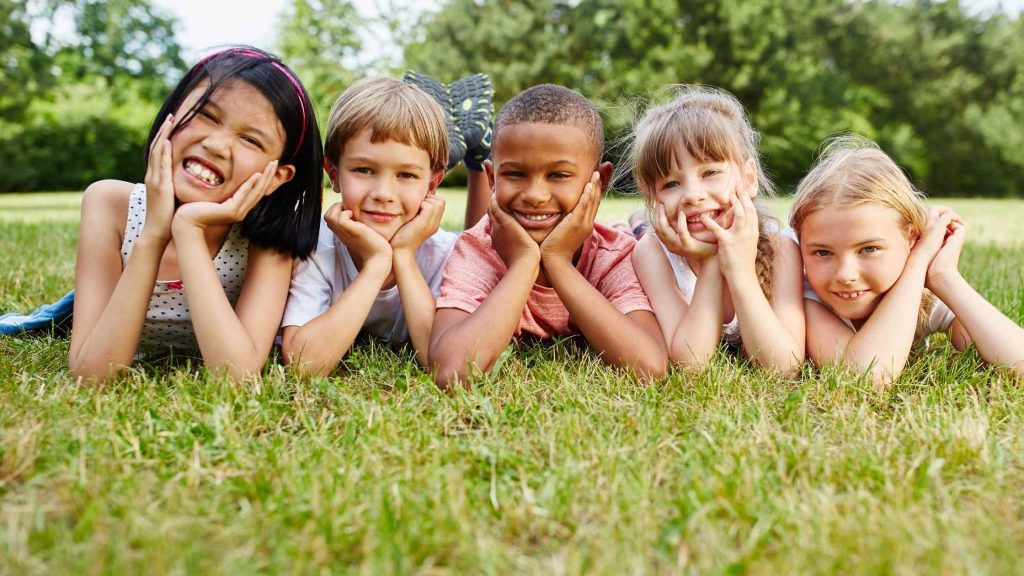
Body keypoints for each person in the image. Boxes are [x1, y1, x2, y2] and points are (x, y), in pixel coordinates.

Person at [69, 47, 323, 382]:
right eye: (208, 115)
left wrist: (188, 229)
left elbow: (236, 378)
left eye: (249, 139)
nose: (217, 145)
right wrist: (154, 235)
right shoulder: (110, 205)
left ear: (276, 176)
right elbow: (91, 376)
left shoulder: (269, 238)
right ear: (172, 114)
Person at [429, 84, 667, 388]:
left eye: (558, 175)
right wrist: (524, 263)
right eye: (515, 174)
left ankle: (633, 223)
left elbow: (649, 367)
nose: (535, 195)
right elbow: (452, 371)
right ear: (492, 178)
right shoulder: (476, 250)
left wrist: (558, 262)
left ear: (600, 180)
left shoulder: (613, 255)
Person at [281, 76, 478, 375]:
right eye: (364, 170)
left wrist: (403, 256)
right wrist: (377, 264)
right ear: (333, 173)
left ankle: (476, 158)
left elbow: (440, 362)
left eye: (407, 175)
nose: (384, 194)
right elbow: (302, 365)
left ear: (432, 183)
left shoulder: (446, 253)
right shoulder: (315, 244)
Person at [791, 136, 1024, 384]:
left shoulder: (923, 293)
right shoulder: (806, 299)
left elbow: (1017, 361)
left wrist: (944, 277)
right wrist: (918, 261)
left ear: (911, 238)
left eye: (869, 249)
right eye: (823, 253)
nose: (845, 274)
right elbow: (867, 378)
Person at [627, 86, 805, 375]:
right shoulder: (651, 253)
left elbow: (783, 367)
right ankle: (636, 223)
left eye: (710, 173)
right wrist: (711, 261)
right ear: (652, 197)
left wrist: (739, 269)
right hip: (652, 239)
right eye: (671, 184)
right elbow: (691, 364)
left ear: (749, 179)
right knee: (637, 234)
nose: (692, 195)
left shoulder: (780, 249)